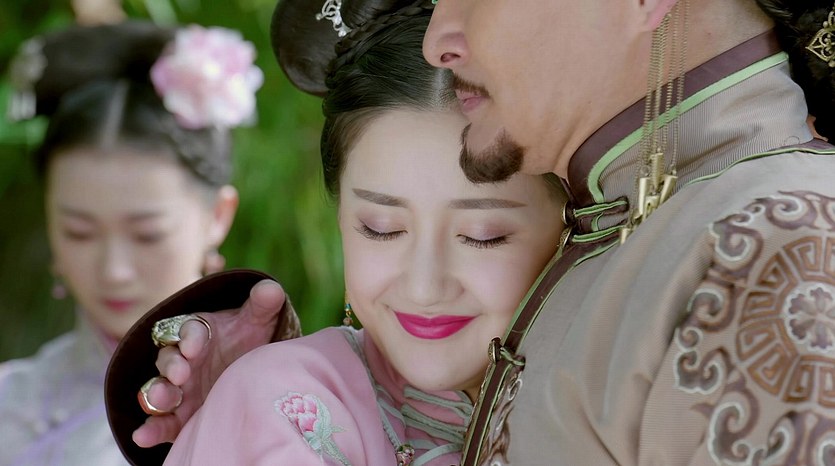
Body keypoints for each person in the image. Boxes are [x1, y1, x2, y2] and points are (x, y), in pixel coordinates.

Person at [125, 0, 835, 464]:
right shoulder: (627, 208)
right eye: (378, 226)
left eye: (486, 235)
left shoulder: (775, 240)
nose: (440, 37)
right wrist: (280, 403)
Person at [158, 1, 565, 465]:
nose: (424, 287)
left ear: (573, 222)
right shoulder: (282, 408)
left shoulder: (614, 393)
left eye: (482, 235)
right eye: (381, 229)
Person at [0, 20, 266, 465]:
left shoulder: (291, 396)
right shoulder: (9, 405)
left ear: (218, 217)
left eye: (147, 234)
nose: (114, 271)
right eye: (78, 232)